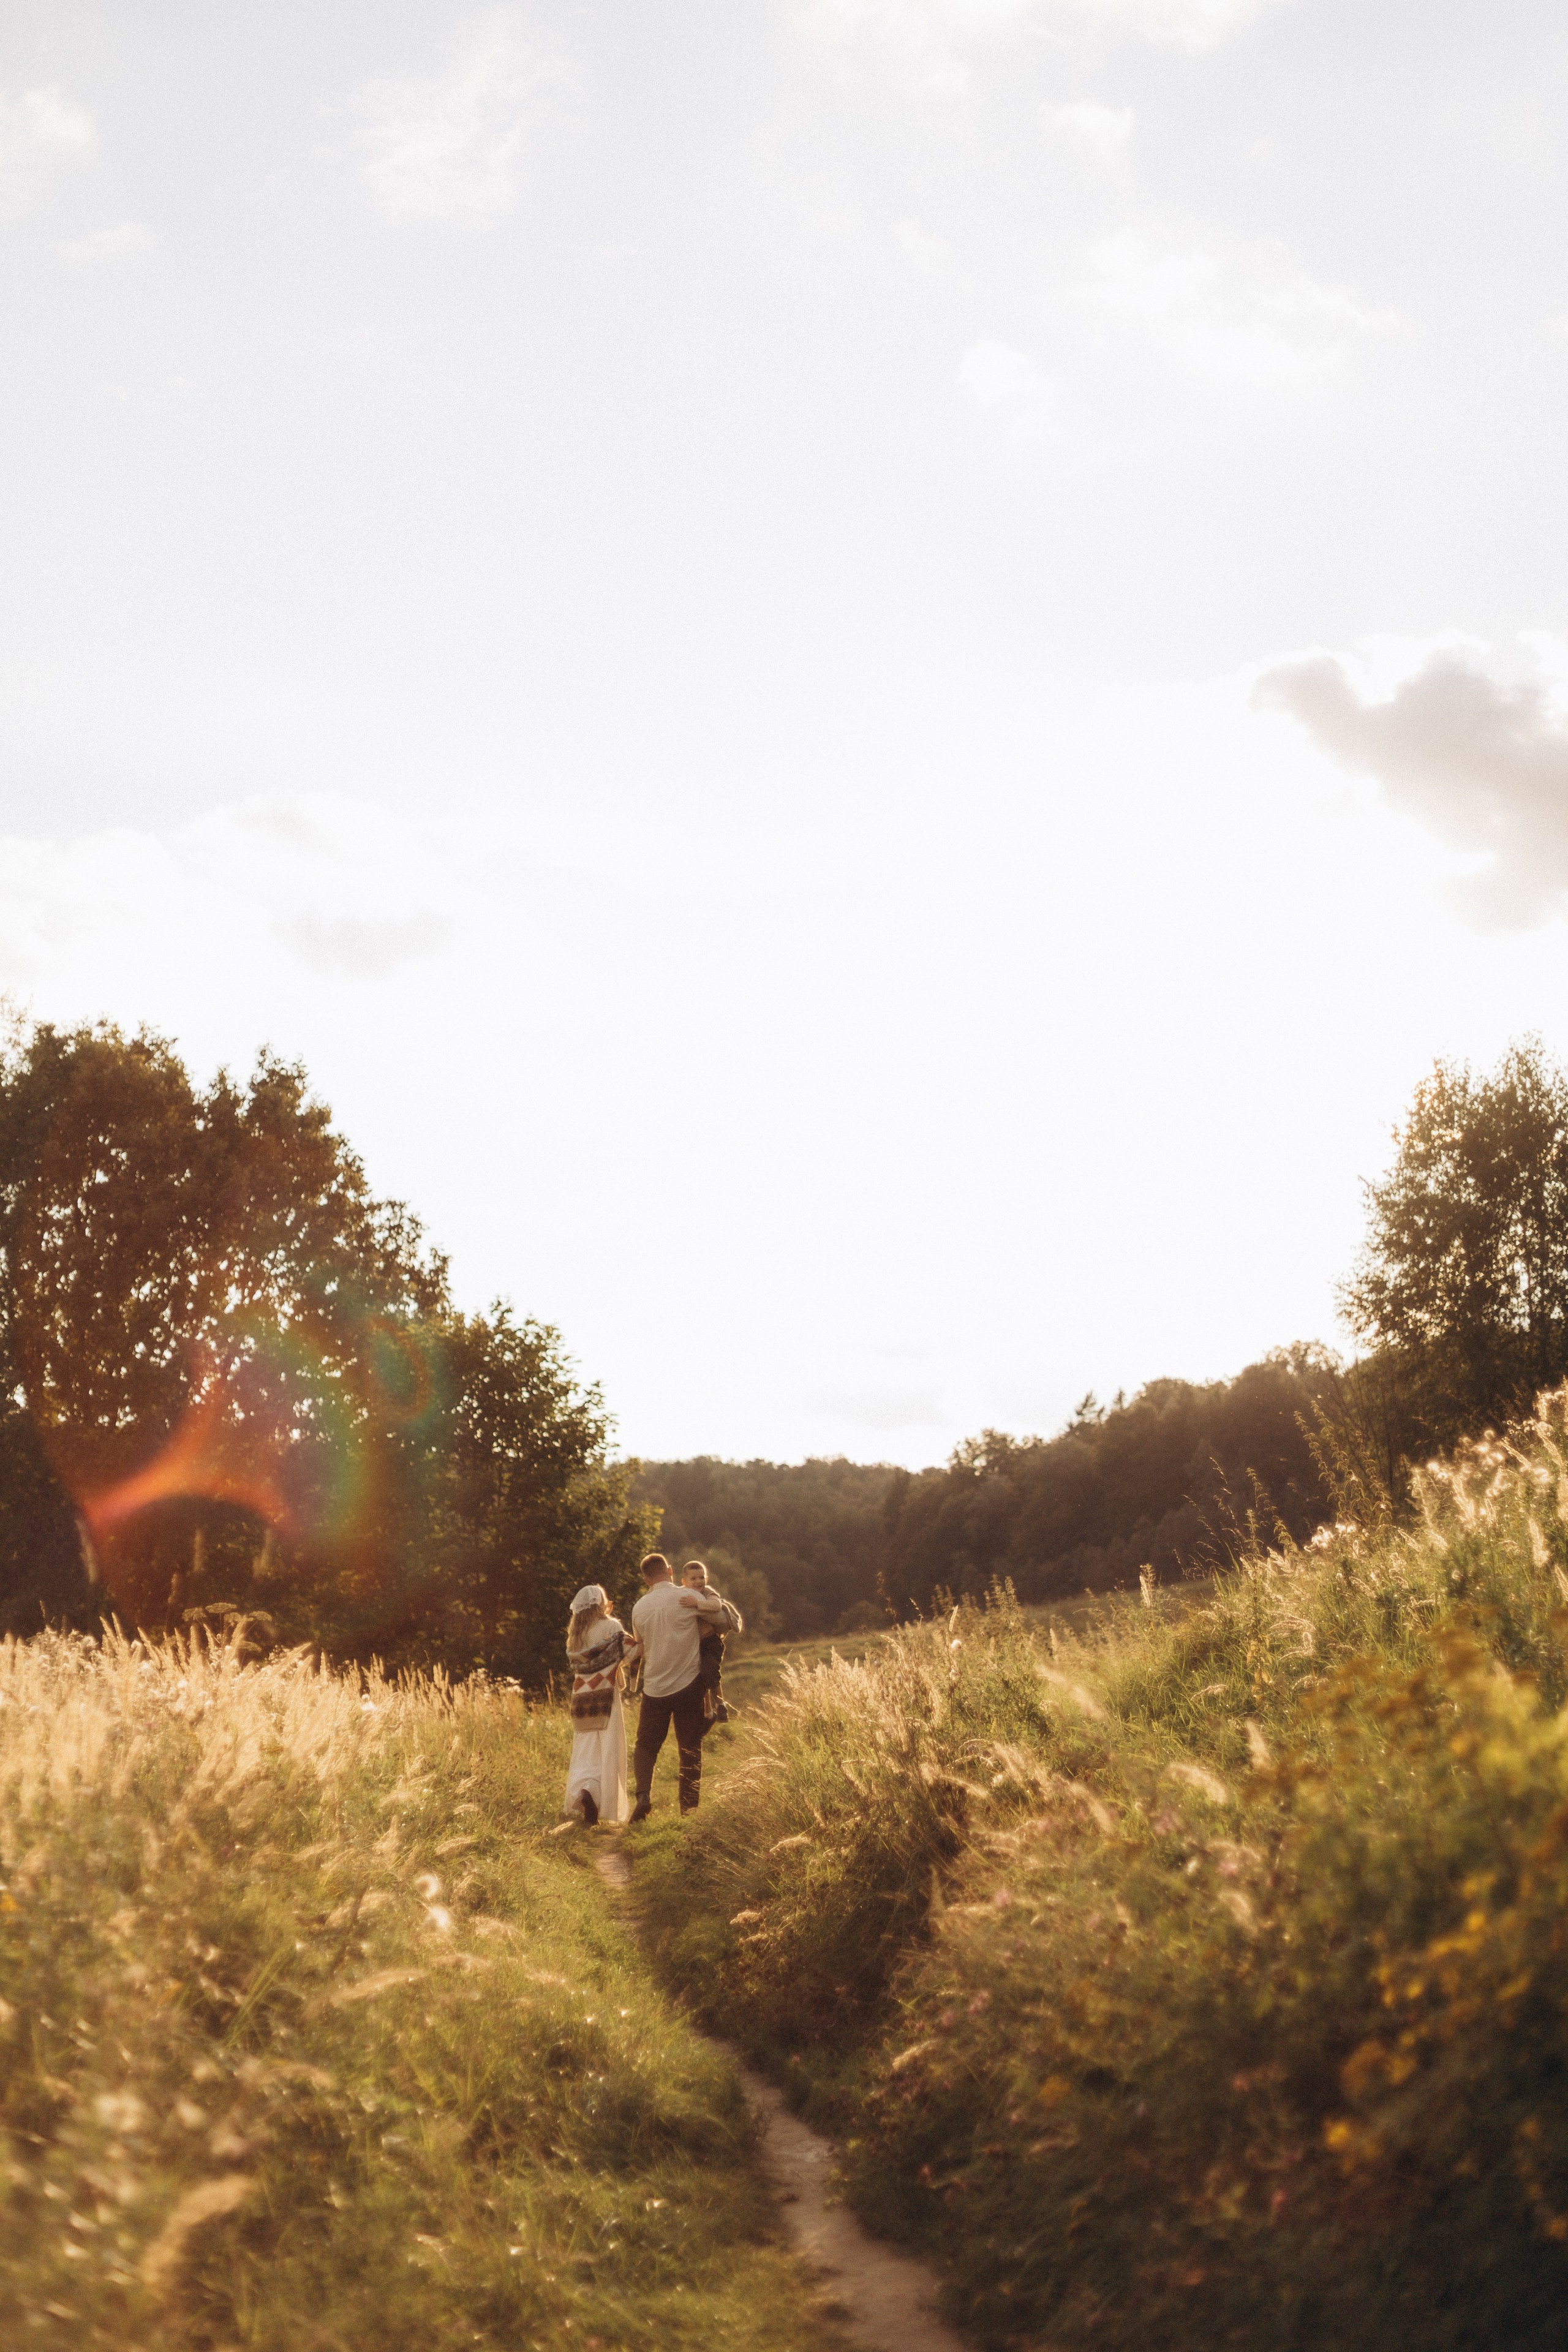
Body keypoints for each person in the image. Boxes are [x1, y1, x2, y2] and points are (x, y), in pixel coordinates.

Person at [628, 1551, 738, 1820]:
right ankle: (689, 1811)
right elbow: (722, 1620)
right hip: (689, 1685)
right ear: (670, 1571)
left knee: (646, 1745)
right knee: (690, 1748)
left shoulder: (639, 1608)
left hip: (655, 1689)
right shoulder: (688, 1597)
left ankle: (643, 1796)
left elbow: (639, 1646)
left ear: (646, 1580)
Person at [562, 1583, 637, 1826]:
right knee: (608, 1749)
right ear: (600, 1604)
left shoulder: (575, 1636)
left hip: (582, 1699)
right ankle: (601, 1800)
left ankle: (585, 1792)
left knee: (585, 1752)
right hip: (605, 1696)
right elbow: (630, 1652)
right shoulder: (611, 1626)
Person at [680, 1557, 743, 1728]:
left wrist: (697, 1603)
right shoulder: (682, 1595)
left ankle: (721, 1704)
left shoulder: (708, 1593)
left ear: (706, 1579)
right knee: (699, 1678)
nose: (698, 1582)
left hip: (710, 1642)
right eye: (693, 1578)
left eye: (702, 1577)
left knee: (710, 1671)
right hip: (694, 1644)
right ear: (684, 1582)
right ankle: (707, 1712)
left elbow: (716, 1606)